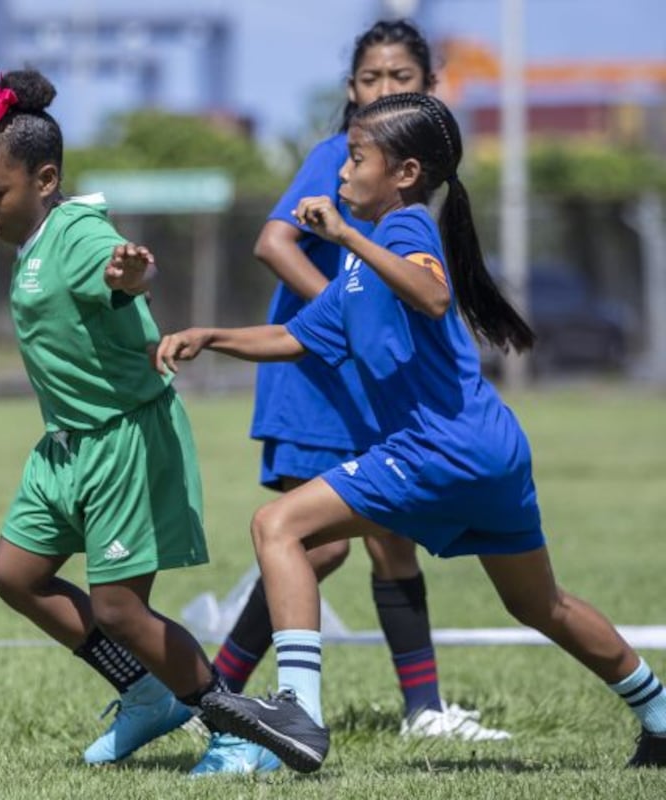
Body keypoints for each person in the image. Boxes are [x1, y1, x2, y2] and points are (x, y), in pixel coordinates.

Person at [155, 92, 666, 774]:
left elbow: (431, 295)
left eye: (357, 158)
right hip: (489, 450)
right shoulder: (361, 265)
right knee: (540, 604)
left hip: (437, 449)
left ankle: (296, 714)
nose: (341, 171)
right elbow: (295, 337)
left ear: (404, 173)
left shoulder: (403, 229)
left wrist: (344, 234)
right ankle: (660, 714)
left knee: (278, 526)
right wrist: (211, 335)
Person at [192, 19, 508, 776]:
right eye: (370, 79)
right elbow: (274, 243)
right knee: (315, 540)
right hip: (319, 377)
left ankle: (422, 709)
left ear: (428, 87)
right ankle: (217, 695)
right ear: (351, 91)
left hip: (370, 377)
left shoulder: (403, 184)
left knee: (384, 534)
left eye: (400, 78)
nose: (383, 90)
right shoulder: (341, 155)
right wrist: (343, 318)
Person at [0, 69, 230, 767]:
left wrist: (129, 273)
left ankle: (233, 732)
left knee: (120, 612)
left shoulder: (76, 234)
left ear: (46, 180)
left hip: (122, 441)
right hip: (65, 448)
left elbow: (116, 270)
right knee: (15, 575)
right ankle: (145, 696)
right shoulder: (33, 242)